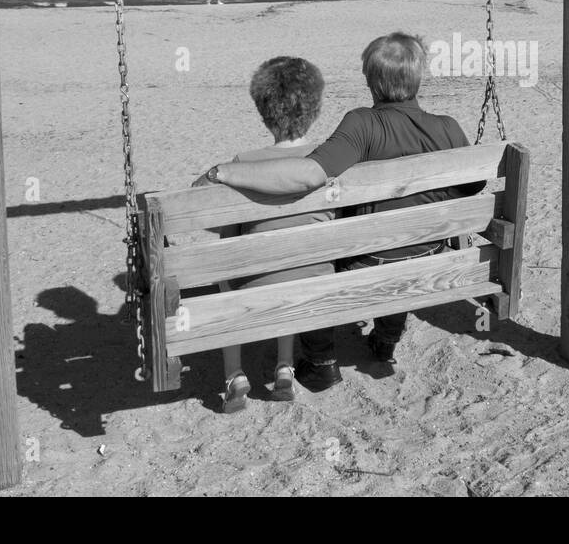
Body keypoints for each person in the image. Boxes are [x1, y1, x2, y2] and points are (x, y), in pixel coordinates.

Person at [198, 32, 480, 393]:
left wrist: (223, 172)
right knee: (401, 245)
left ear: (370, 80)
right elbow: (473, 188)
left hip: (369, 260)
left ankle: (321, 364)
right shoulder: (449, 127)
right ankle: (385, 340)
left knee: (321, 259)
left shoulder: (361, 124)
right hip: (428, 255)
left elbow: (310, 174)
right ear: (418, 78)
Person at [193, 56, 331, 410]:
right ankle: (284, 368)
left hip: (256, 285)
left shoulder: (243, 164)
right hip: (317, 278)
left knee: (230, 267)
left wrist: (218, 172)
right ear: (315, 107)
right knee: (294, 255)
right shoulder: (332, 156)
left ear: (262, 109)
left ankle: (235, 375)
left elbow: (194, 207)